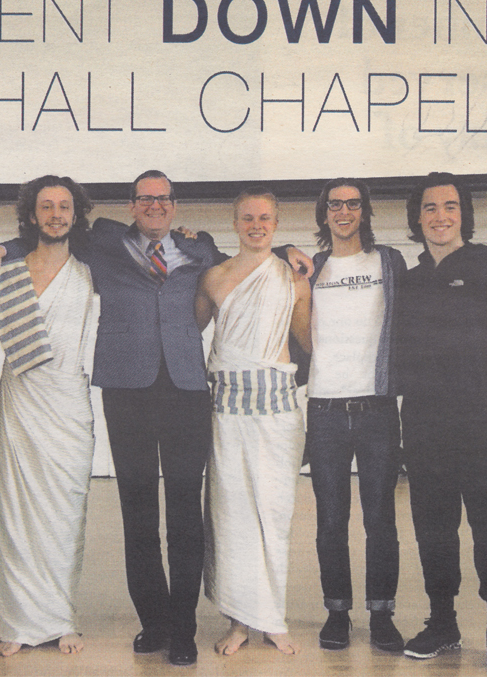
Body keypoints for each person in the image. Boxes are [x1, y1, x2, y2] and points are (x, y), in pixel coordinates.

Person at [0, 171, 313, 666]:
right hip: (126, 389)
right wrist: (2, 248)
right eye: (145, 198)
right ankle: (153, 621)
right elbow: (46, 231)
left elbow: (252, 255)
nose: (155, 206)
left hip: (185, 391)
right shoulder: (103, 241)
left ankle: (183, 626)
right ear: (132, 205)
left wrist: (288, 249)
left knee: (183, 513)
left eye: (163, 198)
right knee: (137, 512)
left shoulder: (202, 250)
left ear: (175, 206)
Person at [396, 172, 487, 675]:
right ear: (418, 216)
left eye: (450, 206)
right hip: (424, 426)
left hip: (482, 427)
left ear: (464, 214)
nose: (441, 216)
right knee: (434, 531)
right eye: (431, 207)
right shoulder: (409, 280)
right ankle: (443, 623)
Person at [194, 188, 311, 657]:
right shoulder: (214, 278)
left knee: (274, 513)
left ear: (277, 224)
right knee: (233, 514)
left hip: (278, 409)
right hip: (227, 409)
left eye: (265, 218)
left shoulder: (294, 279)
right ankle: (240, 620)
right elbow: (189, 335)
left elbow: (309, 339)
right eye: (247, 218)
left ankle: (273, 617)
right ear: (235, 222)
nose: (256, 225)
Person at [0, 176, 97, 658]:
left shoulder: (92, 269)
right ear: (30, 215)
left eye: (64, 206)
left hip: (69, 402)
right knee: (15, 509)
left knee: (66, 513)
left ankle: (59, 617)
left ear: (76, 214)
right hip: (22, 399)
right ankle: (17, 621)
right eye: (46, 206)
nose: (56, 214)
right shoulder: (5, 269)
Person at [302, 179, 407, 652]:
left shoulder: (387, 262)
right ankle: (337, 612)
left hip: (377, 408)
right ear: (324, 214)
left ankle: (382, 613)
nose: (343, 211)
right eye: (334, 204)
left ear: (364, 211)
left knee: (381, 517)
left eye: (352, 203)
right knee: (330, 519)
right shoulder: (309, 267)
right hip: (323, 409)